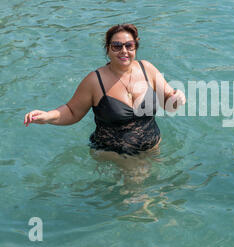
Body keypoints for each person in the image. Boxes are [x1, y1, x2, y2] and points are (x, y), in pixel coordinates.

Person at [24, 23, 186, 157]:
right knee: (138, 192)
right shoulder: (95, 81)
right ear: (108, 49)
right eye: (116, 46)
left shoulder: (148, 69)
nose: (124, 51)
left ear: (135, 47)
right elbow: (72, 111)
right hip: (114, 155)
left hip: (152, 150)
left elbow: (169, 103)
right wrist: (47, 116)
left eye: (129, 45)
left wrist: (177, 99)